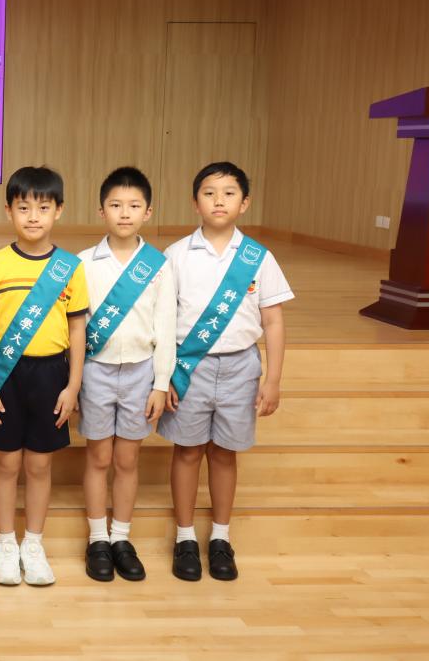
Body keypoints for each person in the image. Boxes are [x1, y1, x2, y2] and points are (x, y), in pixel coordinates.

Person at [160, 161, 293, 582]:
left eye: (229, 193)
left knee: (224, 452)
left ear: (244, 203)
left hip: (241, 366)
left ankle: (220, 537)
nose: (219, 201)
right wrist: (164, 377)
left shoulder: (258, 257)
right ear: (194, 202)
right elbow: (163, 321)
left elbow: (273, 321)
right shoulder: (176, 255)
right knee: (187, 451)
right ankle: (184, 537)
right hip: (189, 366)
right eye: (209, 193)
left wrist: (273, 379)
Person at [0, 167, 87, 587]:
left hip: (52, 374)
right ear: (9, 211)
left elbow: (77, 329)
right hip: (4, 374)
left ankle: (34, 544)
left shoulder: (70, 268)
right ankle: (6, 543)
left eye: (43, 208)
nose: (33, 217)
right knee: (6, 463)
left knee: (40, 465)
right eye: (24, 208)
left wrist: (73, 385)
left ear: (59, 211)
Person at [77, 167, 175, 582]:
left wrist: (161, 383)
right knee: (99, 457)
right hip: (95, 371)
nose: (124, 213)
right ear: (101, 211)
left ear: (148, 212)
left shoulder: (158, 265)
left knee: (127, 459)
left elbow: (166, 326)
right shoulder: (83, 263)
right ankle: (97, 538)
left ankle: (121, 537)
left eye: (134, 206)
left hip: (140, 372)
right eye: (115, 205)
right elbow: (76, 327)